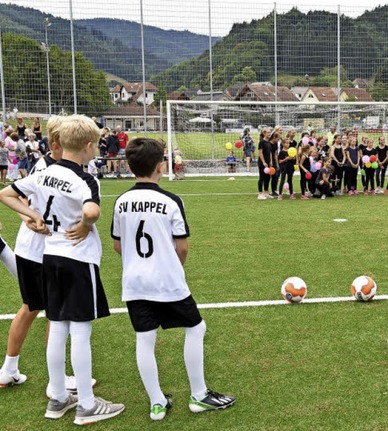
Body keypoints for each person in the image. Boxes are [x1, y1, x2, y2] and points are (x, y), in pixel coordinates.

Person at [0, 115, 125, 424]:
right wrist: (86, 223)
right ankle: (87, 404)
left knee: (57, 327)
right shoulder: (86, 180)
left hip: (50, 258)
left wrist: (33, 216)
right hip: (78, 261)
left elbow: (5, 194)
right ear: (88, 145)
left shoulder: (43, 172)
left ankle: (58, 398)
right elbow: (92, 210)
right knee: (80, 330)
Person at [111, 137, 236, 421]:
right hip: (167, 281)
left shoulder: (121, 201)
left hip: (135, 282)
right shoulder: (170, 200)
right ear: (160, 166)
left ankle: (157, 403)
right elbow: (182, 247)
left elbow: (118, 245)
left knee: (144, 339)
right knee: (196, 328)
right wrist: (171, 265)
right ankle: (199, 394)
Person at [0, 116, 93, 395]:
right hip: (44, 252)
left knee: (31, 307)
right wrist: (29, 217)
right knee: (53, 313)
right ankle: (58, 381)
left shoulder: (46, 166)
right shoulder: (50, 168)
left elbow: (19, 200)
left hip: (32, 250)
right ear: (57, 142)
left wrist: (26, 216)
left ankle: (8, 369)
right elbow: (21, 202)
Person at [257, 127, 272, 200]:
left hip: (268, 162)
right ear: (264, 133)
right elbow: (260, 153)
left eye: (270, 132)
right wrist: (263, 162)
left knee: (268, 177)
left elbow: (270, 153)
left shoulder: (269, 142)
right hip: (262, 163)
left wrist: (271, 161)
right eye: (268, 132)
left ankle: (266, 192)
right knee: (262, 177)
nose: (270, 133)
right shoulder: (261, 142)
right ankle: (260, 193)